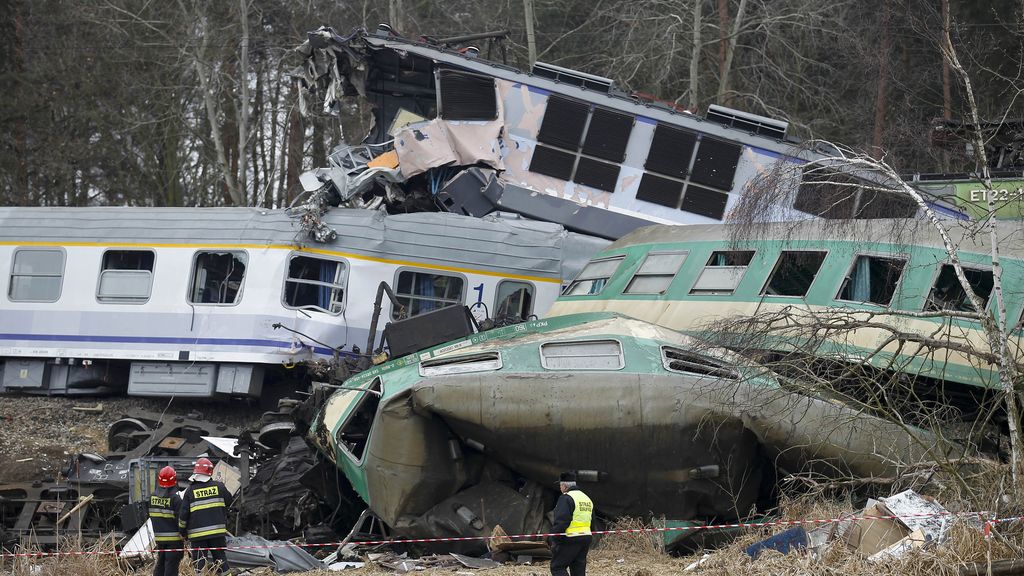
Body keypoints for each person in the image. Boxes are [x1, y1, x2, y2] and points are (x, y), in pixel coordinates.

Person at [178, 457, 233, 574]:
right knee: (221, 560)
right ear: (210, 472)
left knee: (199, 564)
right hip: (217, 533)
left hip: (197, 536)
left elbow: (183, 515)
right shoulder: (219, 487)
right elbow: (229, 501)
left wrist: (182, 532)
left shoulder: (190, 491)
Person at [549, 471, 593, 576]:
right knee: (578, 569)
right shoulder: (586, 498)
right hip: (586, 538)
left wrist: (555, 538)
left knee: (557, 567)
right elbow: (592, 521)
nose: (560, 488)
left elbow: (562, 521)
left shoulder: (566, 498)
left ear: (564, 486)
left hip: (570, 538)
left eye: (560, 485)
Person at [148, 466, 183, 576]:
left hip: (159, 539)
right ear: (174, 480)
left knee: (161, 564)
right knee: (171, 568)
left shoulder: (152, 497)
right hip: (174, 540)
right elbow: (181, 520)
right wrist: (185, 535)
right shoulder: (175, 499)